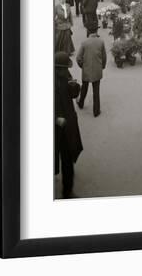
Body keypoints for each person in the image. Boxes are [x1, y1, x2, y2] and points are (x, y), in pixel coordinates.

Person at [55, 51, 83, 198]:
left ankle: (67, 191)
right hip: (54, 128)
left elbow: (73, 95)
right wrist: (54, 118)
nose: (65, 71)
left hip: (67, 127)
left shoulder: (66, 75)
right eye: (63, 68)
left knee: (67, 157)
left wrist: (74, 86)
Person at [76, 22, 107, 117]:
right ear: (96, 31)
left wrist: (83, 66)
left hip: (86, 70)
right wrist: (102, 66)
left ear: (88, 31)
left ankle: (81, 103)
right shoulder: (101, 42)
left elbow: (78, 58)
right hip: (97, 71)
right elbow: (104, 57)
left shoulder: (84, 43)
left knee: (84, 88)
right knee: (96, 91)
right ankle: (96, 111)